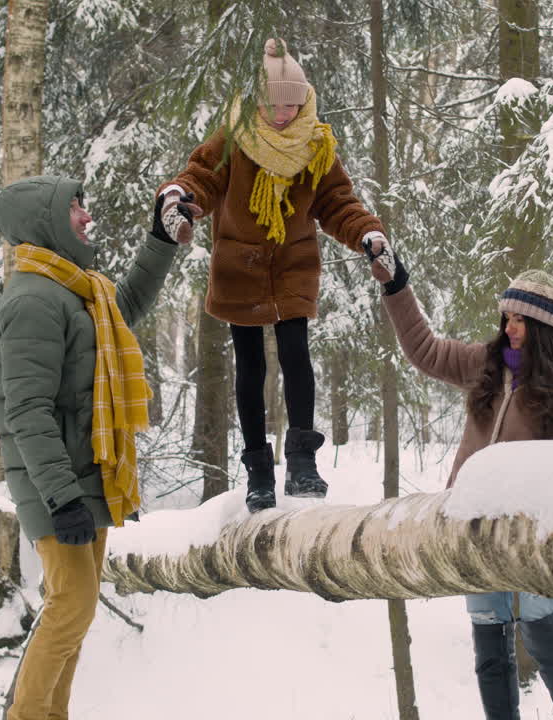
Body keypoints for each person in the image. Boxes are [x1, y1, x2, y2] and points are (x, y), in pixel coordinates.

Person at [365, 241, 553, 720]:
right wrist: (397, 286)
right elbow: (425, 350)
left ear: (544, 328)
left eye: (520, 320)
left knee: (547, 637)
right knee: (490, 647)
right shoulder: (487, 365)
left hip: (534, 533)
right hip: (474, 527)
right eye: (506, 319)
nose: (510, 328)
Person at [0, 175, 194, 720]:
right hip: (53, 484)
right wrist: (61, 497)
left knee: (74, 613)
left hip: (86, 475)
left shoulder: (78, 290)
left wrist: (160, 240)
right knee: (72, 606)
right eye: (74, 206)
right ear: (45, 221)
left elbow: (126, 303)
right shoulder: (32, 300)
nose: (86, 214)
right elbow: (27, 412)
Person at [157, 38, 385, 513]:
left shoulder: (317, 145)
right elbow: (203, 176)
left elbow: (338, 203)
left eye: (291, 103)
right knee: (250, 366)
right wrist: (182, 197)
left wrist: (368, 234)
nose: (282, 113)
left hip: (293, 263)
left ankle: (302, 462)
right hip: (240, 263)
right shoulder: (235, 137)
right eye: (273, 103)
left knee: (296, 353)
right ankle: (259, 470)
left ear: (304, 100)